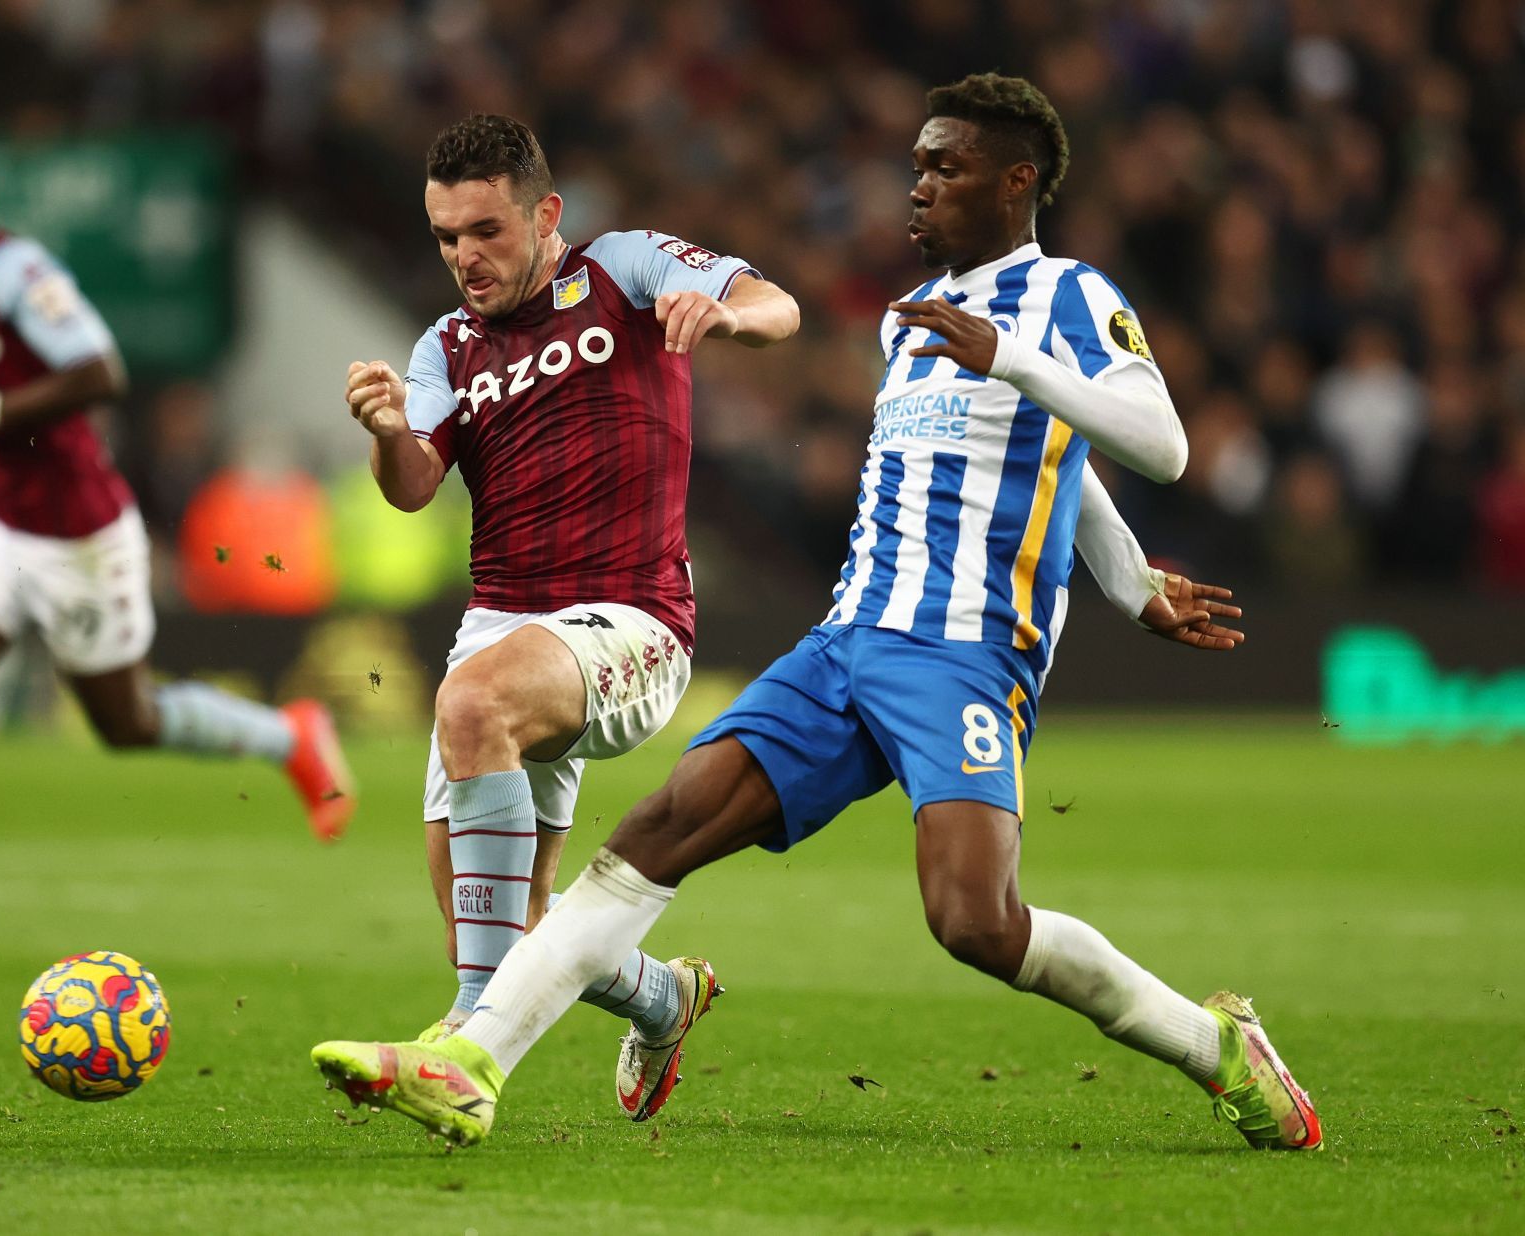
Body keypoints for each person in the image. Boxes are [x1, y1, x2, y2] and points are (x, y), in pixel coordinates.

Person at [311, 74, 1322, 1155]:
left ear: (1017, 182)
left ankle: (1217, 1046)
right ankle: (473, 1062)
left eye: (946, 166)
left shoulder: (1065, 297)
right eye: (919, 165)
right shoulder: (908, 322)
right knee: (657, 833)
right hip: (844, 642)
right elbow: (1042, 462)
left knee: (975, 923)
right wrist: (1127, 575)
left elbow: (1156, 443)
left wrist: (1025, 386)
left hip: (962, 653)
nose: (918, 187)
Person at [341, 113, 798, 1120]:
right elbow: (414, 487)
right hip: (504, 628)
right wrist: (384, 434)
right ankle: (663, 997)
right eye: (447, 236)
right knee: (510, 917)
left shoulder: (625, 267)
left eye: (486, 231)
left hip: (634, 619)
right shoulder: (446, 347)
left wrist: (722, 315)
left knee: (471, 711)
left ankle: (465, 1041)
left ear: (545, 214)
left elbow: (778, 308)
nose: (465, 256)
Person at [0, 135, 354, 972]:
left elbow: (100, 371)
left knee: (125, 721)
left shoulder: (17, 273)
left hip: (78, 535)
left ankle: (290, 737)